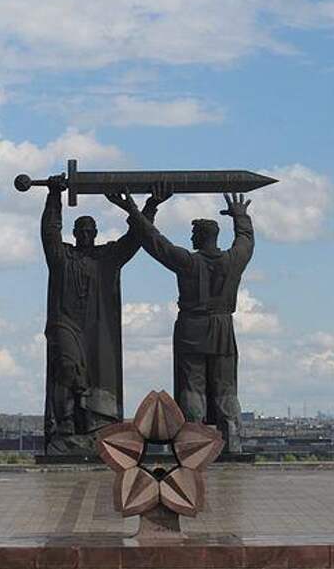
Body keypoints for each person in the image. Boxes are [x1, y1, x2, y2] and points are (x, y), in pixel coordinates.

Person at [106, 185, 254, 452]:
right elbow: (246, 241)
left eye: (194, 234)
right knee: (226, 387)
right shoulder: (232, 261)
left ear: (201, 236)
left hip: (192, 330)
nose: (191, 238)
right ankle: (232, 442)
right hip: (222, 329)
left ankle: (192, 444)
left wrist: (133, 210)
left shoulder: (189, 262)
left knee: (192, 387)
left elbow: (155, 241)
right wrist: (240, 216)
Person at [42, 177, 164, 447]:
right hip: (66, 324)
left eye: (89, 230)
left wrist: (151, 206)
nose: (85, 234)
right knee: (67, 368)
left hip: (97, 329)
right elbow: (49, 232)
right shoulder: (62, 256)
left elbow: (135, 238)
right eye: (81, 230)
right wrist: (54, 197)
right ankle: (65, 425)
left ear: (96, 233)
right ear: (74, 233)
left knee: (96, 378)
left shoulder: (108, 256)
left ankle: (91, 427)